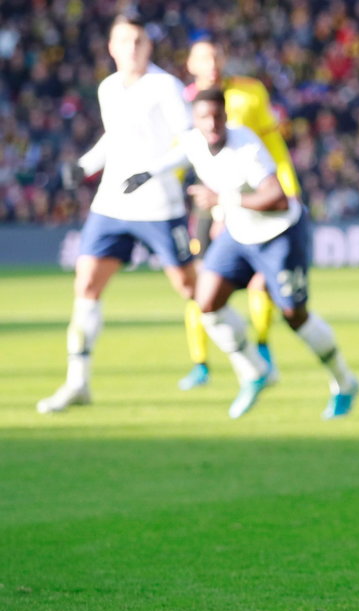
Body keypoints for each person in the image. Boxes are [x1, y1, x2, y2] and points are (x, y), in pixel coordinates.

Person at [126, 88, 359, 419]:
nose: (212, 124)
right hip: (239, 235)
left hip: (279, 234)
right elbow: (177, 156)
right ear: (195, 120)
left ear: (225, 116)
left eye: (217, 116)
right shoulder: (194, 141)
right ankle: (255, 371)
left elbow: (277, 198)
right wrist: (144, 175)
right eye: (204, 117)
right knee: (206, 302)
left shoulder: (246, 146)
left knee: (295, 315)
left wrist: (223, 199)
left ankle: (345, 382)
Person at [37, 13, 197, 414]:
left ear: (149, 45)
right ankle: (78, 383)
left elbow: (189, 143)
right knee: (87, 283)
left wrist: (152, 171)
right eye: (125, 41)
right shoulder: (109, 87)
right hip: (112, 203)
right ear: (111, 47)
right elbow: (115, 137)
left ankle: (248, 363)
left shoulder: (165, 86)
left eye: (139, 41)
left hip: (160, 203)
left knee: (192, 291)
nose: (132, 48)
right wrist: (85, 165)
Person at [176, 37, 301, 391]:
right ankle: (200, 363)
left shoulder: (250, 92)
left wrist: (287, 185)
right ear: (191, 64)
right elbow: (177, 154)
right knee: (199, 282)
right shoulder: (181, 102)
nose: (212, 63)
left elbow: (272, 143)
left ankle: (262, 347)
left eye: (216, 56)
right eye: (204, 58)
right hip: (207, 200)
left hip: (247, 200)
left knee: (261, 279)